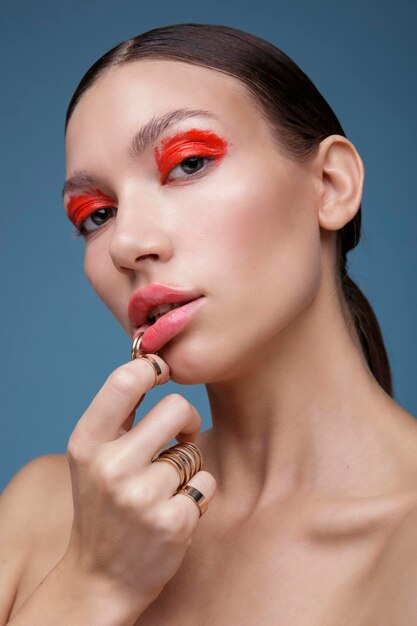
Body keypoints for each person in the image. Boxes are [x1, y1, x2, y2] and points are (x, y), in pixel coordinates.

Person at [1, 22, 416, 626]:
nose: (128, 244)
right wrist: (91, 583)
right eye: (97, 215)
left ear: (330, 185)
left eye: (189, 164)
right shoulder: (47, 514)